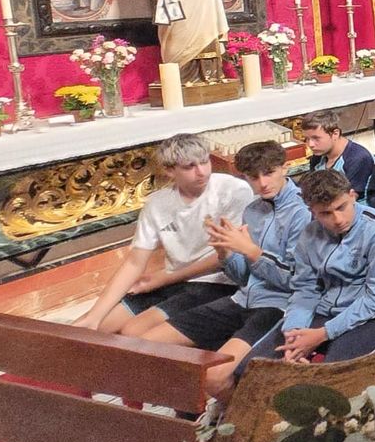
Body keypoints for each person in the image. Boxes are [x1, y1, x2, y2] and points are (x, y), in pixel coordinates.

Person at [136, 141, 310, 397]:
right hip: (242, 298)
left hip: (279, 306)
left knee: (216, 376)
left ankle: (234, 425)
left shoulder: (303, 212)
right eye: (253, 177)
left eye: (269, 173)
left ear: (285, 167)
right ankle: (197, 413)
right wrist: (225, 252)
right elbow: (243, 276)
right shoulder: (253, 210)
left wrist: (251, 251)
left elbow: (297, 280)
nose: (262, 183)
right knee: (148, 345)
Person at [75, 134, 251, 335]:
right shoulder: (157, 203)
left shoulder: (233, 189)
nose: (201, 172)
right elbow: (134, 263)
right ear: (169, 170)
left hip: (215, 282)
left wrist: (165, 278)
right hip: (172, 281)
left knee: (133, 332)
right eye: (189, 167)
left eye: (204, 162)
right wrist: (94, 316)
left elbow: (228, 254)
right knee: (88, 327)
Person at [240, 169, 375, 368]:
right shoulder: (310, 234)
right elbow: (305, 289)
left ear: (352, 196)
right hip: (327, 310)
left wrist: (322, 334)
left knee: (331, 378)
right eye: (325, 213)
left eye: (342, 207)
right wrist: (294, 332)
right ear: (311, 210)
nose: (338, 219)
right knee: (256, 368)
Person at [302, 110, 375, 201]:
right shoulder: (317, 157)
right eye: (306, 139)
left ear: (335, 134)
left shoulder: (358, 158)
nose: (310, 144)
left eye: (316, 138)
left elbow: (349, 199)